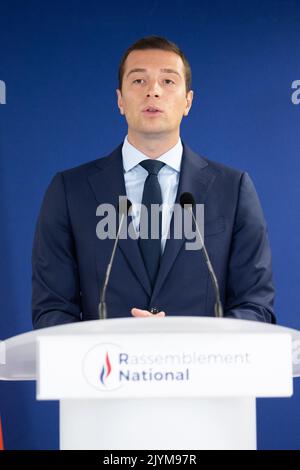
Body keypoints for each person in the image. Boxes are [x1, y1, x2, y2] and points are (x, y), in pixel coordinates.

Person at [31, 36, 275, 329]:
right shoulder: (70, 191)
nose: (153, 91)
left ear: (188, 101)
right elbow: (52, 309)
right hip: (103, 369)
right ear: (120, 100)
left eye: (168, 81)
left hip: (203, 370)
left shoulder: (232, 189)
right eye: (139, 81)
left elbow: (256, 305)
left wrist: (195, 343)